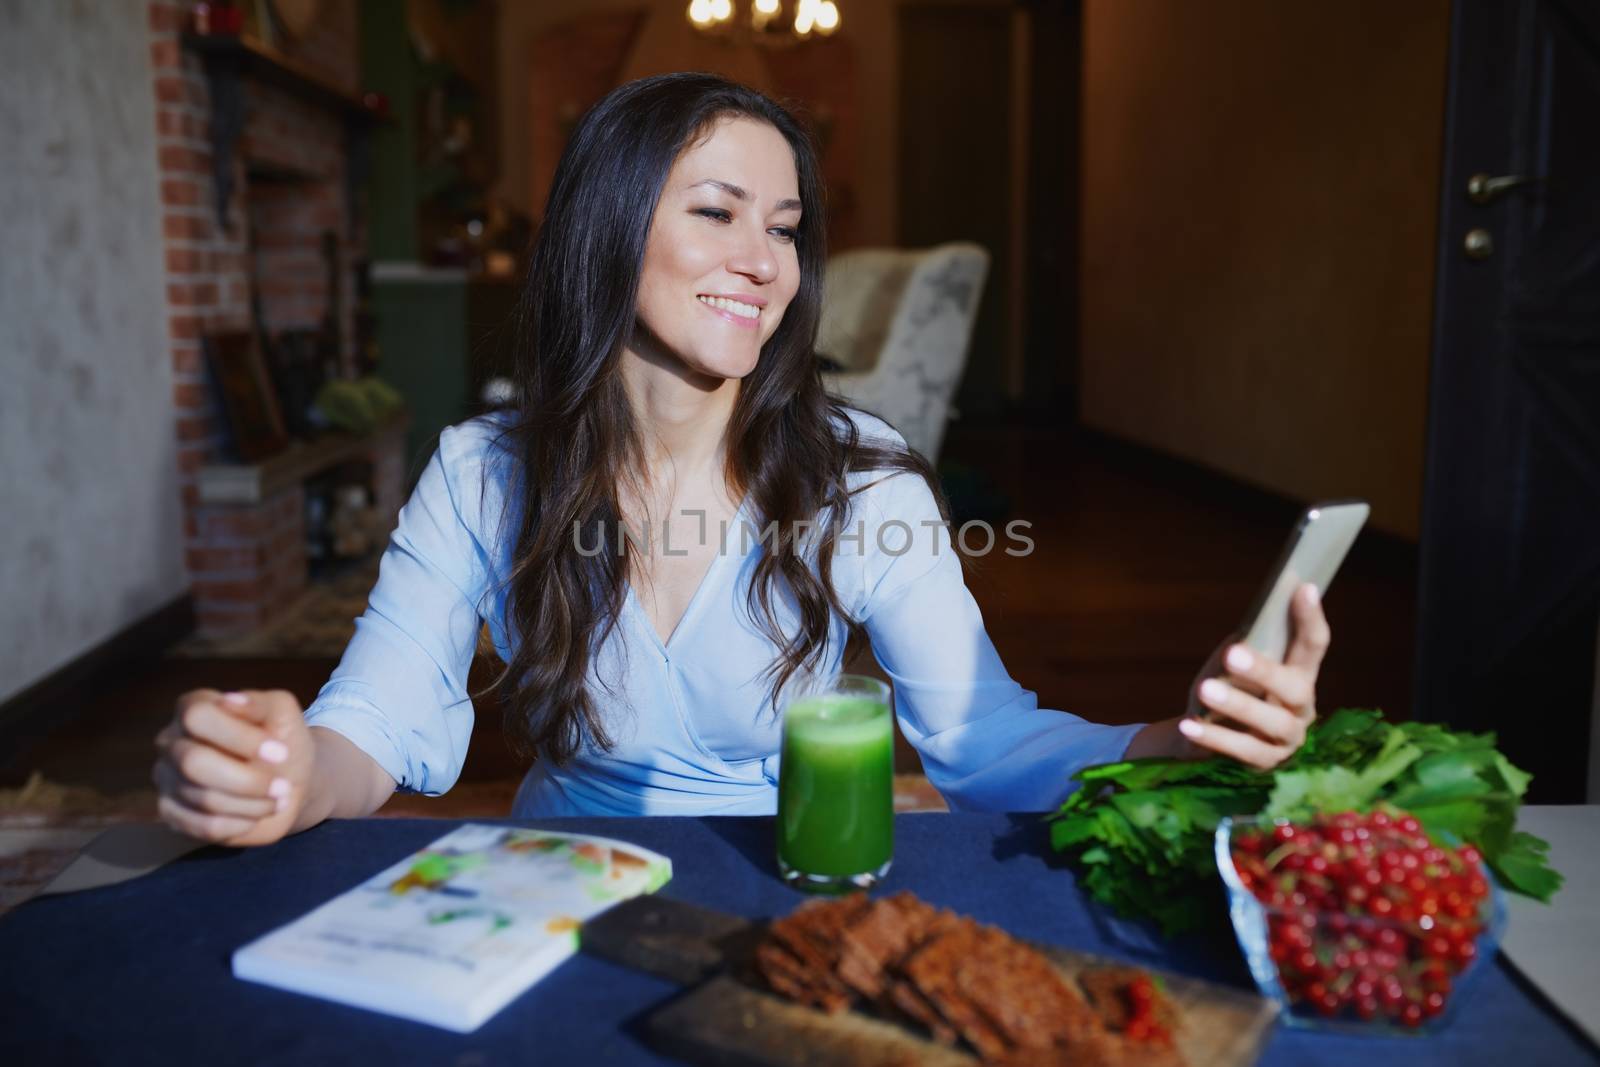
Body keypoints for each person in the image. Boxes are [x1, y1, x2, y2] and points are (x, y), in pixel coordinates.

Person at [151, 74, 1330, 847]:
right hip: (558, 884)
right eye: (717, 210)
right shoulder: (481, 471)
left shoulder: (860, 475)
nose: (765, 259)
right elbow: (373, 722)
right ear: (610, 228)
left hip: (787, 881)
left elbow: (986, 741)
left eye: (784, 226)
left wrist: (1181, 741)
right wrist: (282, 768)